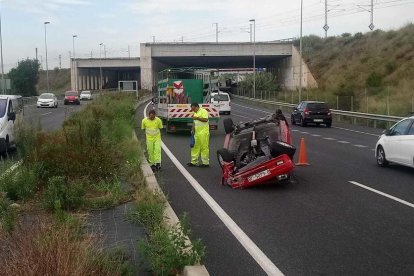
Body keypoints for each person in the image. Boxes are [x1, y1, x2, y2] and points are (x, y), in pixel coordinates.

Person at [187, 102, 210, 168]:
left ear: (197, 107)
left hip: (204, 133)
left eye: (193, 108)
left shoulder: (203, 111)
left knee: (204, 147)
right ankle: (194, 162)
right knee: (195, 147)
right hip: (197, 133)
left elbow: (205, 119)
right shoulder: (195, 113)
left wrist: (197, 118)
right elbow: (194, 123)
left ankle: (205, 163)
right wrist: (192, 129)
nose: (193, 110)